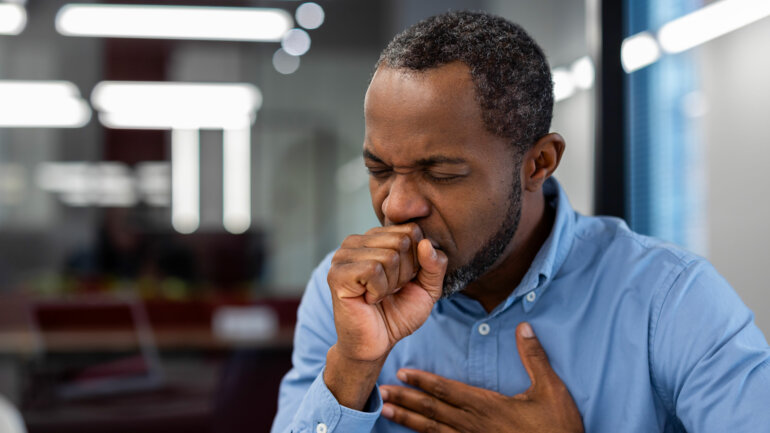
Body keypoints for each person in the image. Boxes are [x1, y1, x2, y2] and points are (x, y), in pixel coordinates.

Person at [271, 10, 770, 433]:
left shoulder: (671, 302)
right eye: (379, 170)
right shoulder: (344, 298)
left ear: (539, 164)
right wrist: (351, 369)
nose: (397, 206)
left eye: (441, 172)